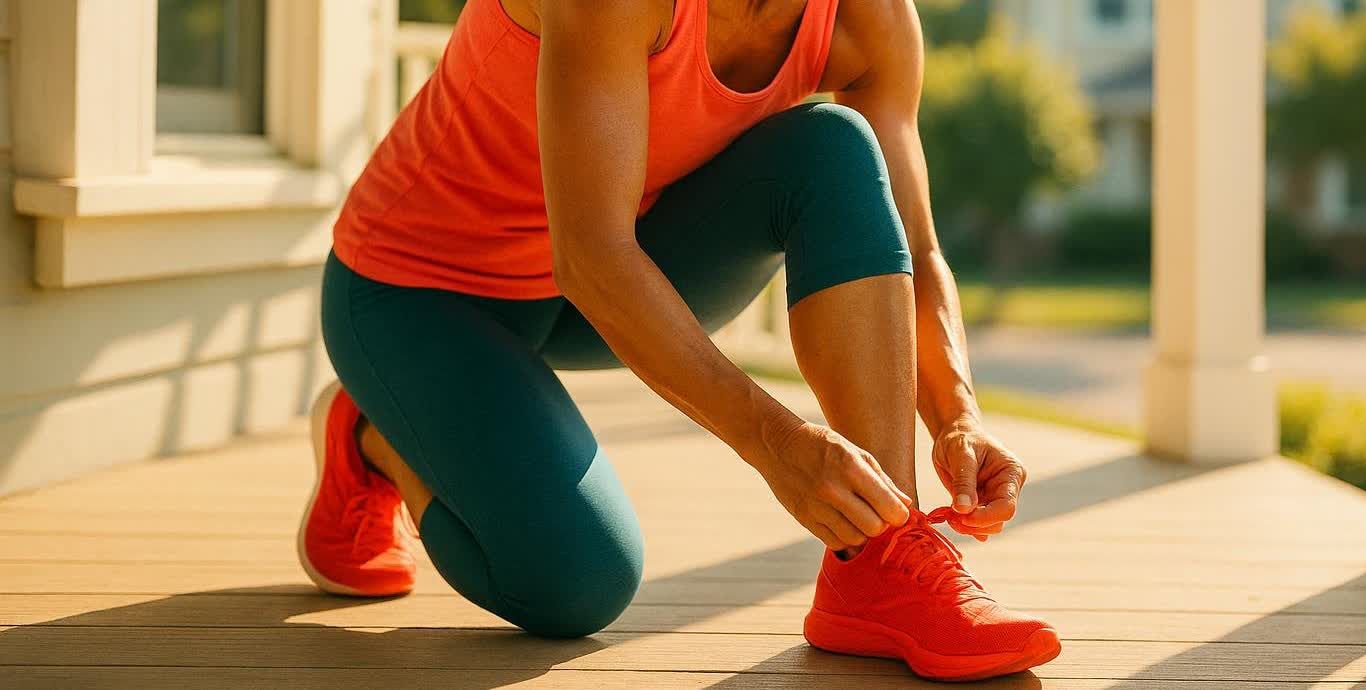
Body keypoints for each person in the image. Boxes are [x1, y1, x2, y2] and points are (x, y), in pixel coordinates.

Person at [298, 0, 1059, 681]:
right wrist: (777, 442)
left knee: (834, 149)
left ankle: (882, 560)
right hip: (419, 292)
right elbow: (592, 258)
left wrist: (957, 412)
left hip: (592, 283)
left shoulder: (869, 18)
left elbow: (916, 247)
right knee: (575, 582)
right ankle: (375, 433)